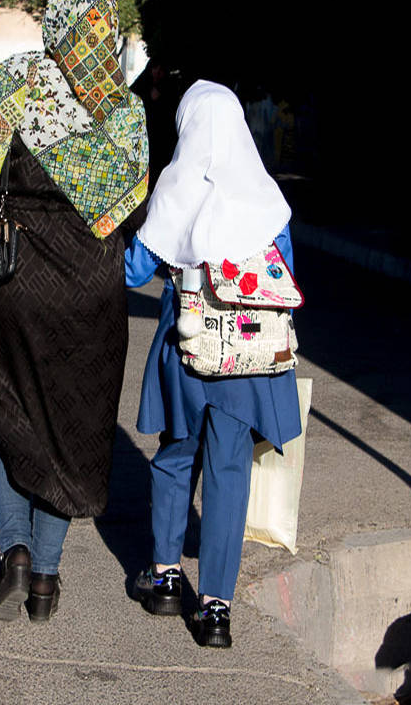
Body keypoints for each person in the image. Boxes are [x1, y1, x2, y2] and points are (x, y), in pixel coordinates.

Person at [0, 0, 149, 623]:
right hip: (92, 295)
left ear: (54, 25)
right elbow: (134, 218)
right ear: (107, 30)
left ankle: (18, 550)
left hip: (17, 282)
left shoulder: (14, 80)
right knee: (75, 427)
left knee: (2, 411)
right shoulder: (125, 109)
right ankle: (48, 578)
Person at [123, 79, 301, 649]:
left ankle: (167, 576)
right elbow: (287, 280)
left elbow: (132, 271)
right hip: (247, 357)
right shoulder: (267, 200)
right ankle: (217, 610)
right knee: (229, 471)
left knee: (176, 455)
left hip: (189, 346)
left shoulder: (175, 191)